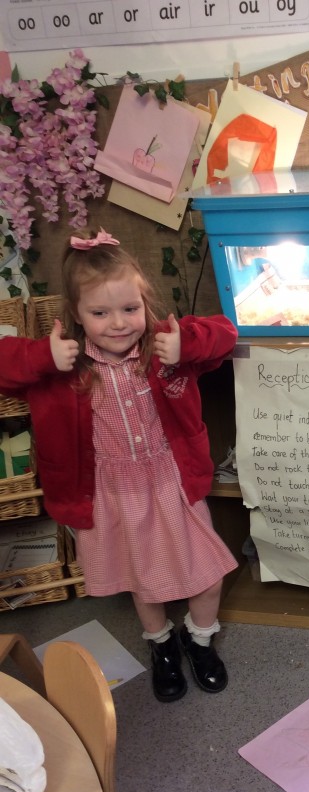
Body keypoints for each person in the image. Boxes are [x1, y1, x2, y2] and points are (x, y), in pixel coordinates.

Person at [0, 228, 239, 702]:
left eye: (130, 309)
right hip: (111, 490)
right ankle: (162, 645)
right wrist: (44, 355)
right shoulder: (61, 365)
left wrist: (186, 345)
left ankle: (200, 639)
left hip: (171, 481)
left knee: (207, 572)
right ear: (76, 314)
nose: (118, 323)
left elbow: (226, 333)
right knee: (141, 578)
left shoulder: (164, 346)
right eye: (100, 313)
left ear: (144, 303)